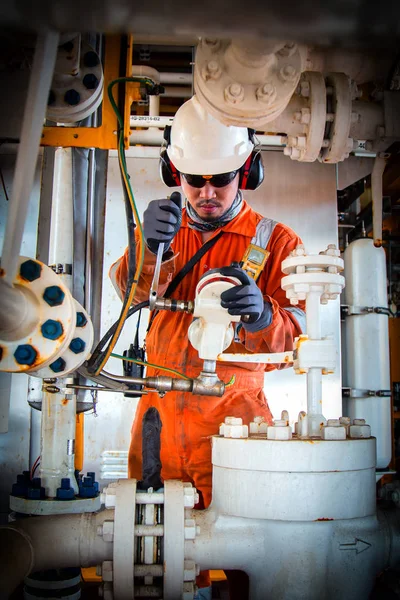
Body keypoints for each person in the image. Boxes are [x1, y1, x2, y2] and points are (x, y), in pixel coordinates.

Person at [110, 95, 305, 599]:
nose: (207, 192)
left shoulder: (277, 242)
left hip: (235, 428)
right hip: (156, 421)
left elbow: (302, 332)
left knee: (244, 555)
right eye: (194, 180)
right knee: (152, 562)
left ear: (248, 170)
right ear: (174, 173)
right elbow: (129, 294)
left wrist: (263, 317)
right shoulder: (160, 231)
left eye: (221, 179)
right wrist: (145, 251)